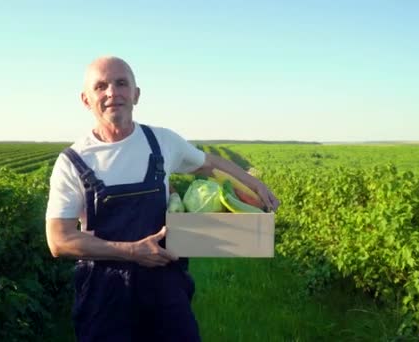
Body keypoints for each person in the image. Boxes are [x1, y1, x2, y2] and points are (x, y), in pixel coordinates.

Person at [45, 56, 280, 341]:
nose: (112, 93)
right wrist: (131, 251)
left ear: (136, 94)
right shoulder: (73, 161)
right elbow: (59, 240)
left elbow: (209, 164)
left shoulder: (162, 141)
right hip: (104, 293)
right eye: (101, 86)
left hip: (166, 287)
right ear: (85, 99)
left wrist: (255, 186)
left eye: (121, 83)